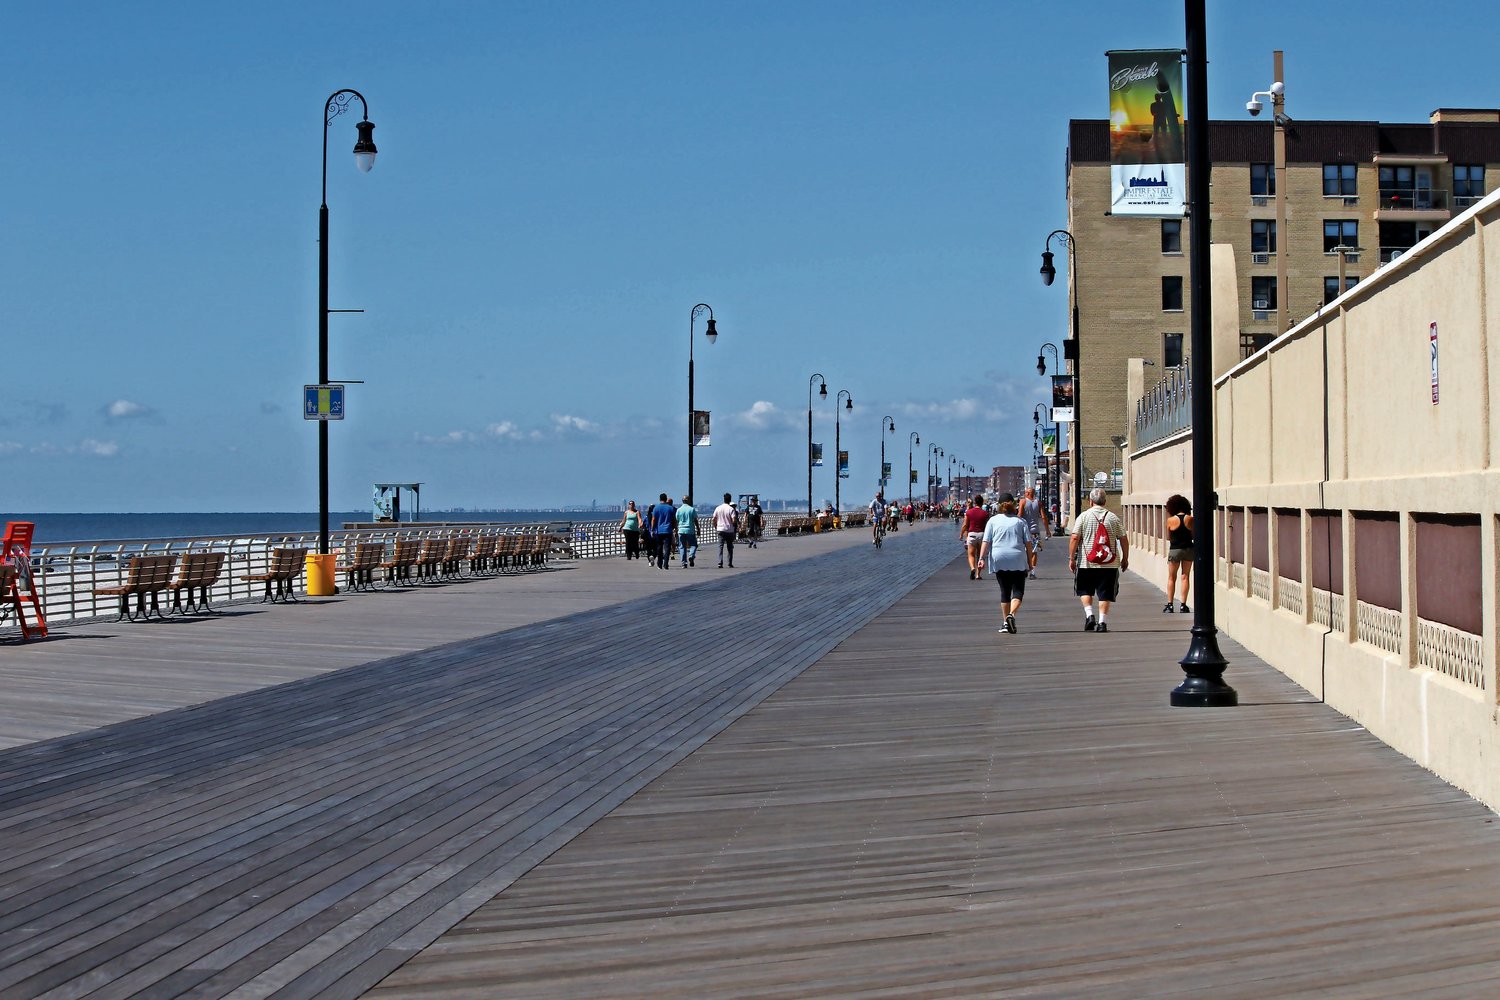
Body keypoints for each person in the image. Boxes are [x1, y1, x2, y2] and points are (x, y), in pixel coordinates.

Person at [1068, 487, 1130, 633]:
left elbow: (1075, 537)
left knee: (1085, 590)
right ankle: (1102, 622)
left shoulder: (1083, 517)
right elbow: (1124, 539)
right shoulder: (1113, 517)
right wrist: (1125, 558)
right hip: (1109, 563)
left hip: (1086, 562)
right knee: (1105, 593)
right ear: (1105, 501)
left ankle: (1090, 615)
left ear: (1090, 502)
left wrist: (1071, 558)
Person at [979, 493, 1035, 634]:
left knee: (1004, 591)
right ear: (1014, 505)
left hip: (999, 558)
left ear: (999, 505)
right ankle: (1011, 615)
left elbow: (986, 541)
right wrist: (1030, 561)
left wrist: (981, 558)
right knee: (1018, 591)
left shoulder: (992, 521)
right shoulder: (1020, 521)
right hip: (1017, 558)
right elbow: (1028, 544)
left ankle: (1005, 623)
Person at [1163, 493, 1193, 613]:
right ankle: (1183, 605)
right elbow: (1193, 535)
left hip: (1175, 550)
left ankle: (1170, 604)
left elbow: (1169, 537)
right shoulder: (1190, 519)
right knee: (1185, 576)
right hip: (1188, 549)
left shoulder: (1170, 520)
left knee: (1172, 577)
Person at [1018, 487, 1050, 579]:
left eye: (1025, 492)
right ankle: (1032, 572)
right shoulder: (1038, 502)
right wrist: (1047, 530)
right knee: (1034, 552)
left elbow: (1019, 515)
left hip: (1025, 531)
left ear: (1027, 493)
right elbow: (1043, 517)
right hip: (1035, 532)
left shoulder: (1023, 502)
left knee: (1024, 551)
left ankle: (1024, 569)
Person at [961, 494, 991, 580]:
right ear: (982, 503)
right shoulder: (985, 513)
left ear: (975, 502)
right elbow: (987, 526)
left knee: (971, 554)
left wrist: (961, 534)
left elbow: (965, 525)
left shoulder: (969, 512)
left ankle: (972, 568)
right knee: (980, 555)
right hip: (982, 535)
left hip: (972, 534)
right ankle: (978, 574)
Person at [649, 493, 676, 570]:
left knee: (659, 548)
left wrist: (652, 530)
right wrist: (676, 529)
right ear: (666, 498)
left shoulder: (656, 508)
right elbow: (674, 520)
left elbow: (653, 519)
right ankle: (666, 564)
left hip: (659, 531)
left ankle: (659, 564)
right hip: (668, 530)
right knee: (667, 548)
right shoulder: (670, 508)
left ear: (660, 499)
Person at [713, 492, 738, 568]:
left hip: (720, 529)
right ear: (730, 500)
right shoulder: (731, 509)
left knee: (720, 546)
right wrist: (734, 526)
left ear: (723, 499)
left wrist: (716, 526)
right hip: (729, 530)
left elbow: (714, 519)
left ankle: (720, 562)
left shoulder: (718, 508)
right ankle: (729, 563)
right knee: (729, 547)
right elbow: (734, 520)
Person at [675, 494, 698, 567]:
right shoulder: (691, 509)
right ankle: (691, 555)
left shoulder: (679, 510)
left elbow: (676, 520)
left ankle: (684, 563)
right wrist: (698, 528)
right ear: (688, 500)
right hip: (690, 530)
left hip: (681, 530)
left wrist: (676, 530)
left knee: (682, 546)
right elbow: (695, 520)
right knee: (693, 544)